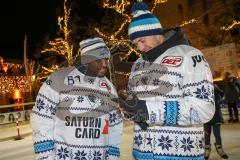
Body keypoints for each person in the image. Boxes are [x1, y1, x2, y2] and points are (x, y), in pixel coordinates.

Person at [116, 2, 215, 159]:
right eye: (135, 44)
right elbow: (136, 104)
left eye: (142, 40)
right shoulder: (137, 64)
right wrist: (131, 110)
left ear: (156, 33)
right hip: (142, 153)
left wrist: (150, 111)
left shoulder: (189, 56)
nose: (140, 48)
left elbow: (204, 109)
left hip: (180, 153)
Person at [31, 37, 123, 160]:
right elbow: (41, 118)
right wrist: (45, 156)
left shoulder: (109, 88)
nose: (105, 64)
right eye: (99, 59)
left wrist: (112, 156)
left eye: (106, 58)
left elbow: (114, 126)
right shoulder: (58, 80)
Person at [204, 71, 228, 159]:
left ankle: (219, 147)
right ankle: (207, 148)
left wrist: (218, 103)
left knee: (217, 133)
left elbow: (223, 95)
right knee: (207, 133)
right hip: (207, 115)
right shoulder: (203, 88)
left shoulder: (215, 87)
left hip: (216, 114)